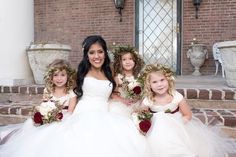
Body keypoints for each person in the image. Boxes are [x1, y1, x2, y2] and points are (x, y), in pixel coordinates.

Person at [0, 35, 152, 157]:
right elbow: (67, 91)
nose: (96, 56)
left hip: (106, 111)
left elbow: (110, 92)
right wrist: (53, 107)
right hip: (84, 111)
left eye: (100, 51)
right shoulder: (81, 72)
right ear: (86, 55)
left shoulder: (109, 71)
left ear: (105, 53)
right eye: (92, 52)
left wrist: (123, 99)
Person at [140, 63, 236, 157]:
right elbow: (141, 115)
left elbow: (187, 114)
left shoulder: (176, 96)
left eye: (162, 80)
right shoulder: (148, 99)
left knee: (172, 135)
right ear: (149, 85)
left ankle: (178, 152)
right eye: (154, 82)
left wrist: (178, 123)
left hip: (176, 125)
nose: (159, 84)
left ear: (168, 80)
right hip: (156, 128)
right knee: (160, 125)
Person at [0, 59, 77, 144]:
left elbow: (70, 113)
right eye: (55, 75)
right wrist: (44, 116)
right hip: (48, 118)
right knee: (32, 131)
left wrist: (57, 118)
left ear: (68, 76)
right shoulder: (48, 91)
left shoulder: (71, 93)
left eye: (62, 75)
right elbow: (44, 106)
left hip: (63, 120)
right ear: (50, 77)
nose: (59, 78)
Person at [109, 45, 145, 118]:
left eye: (130, 59)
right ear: (120, 62)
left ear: (135, 61)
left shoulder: (139, 77)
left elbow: (144, 92)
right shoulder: (118, 77)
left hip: (137, 103)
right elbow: (112, 94)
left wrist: (139, 99)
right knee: (117, 112)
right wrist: (123, 100)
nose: (127, 62)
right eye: (124, 59)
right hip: (122, 103)